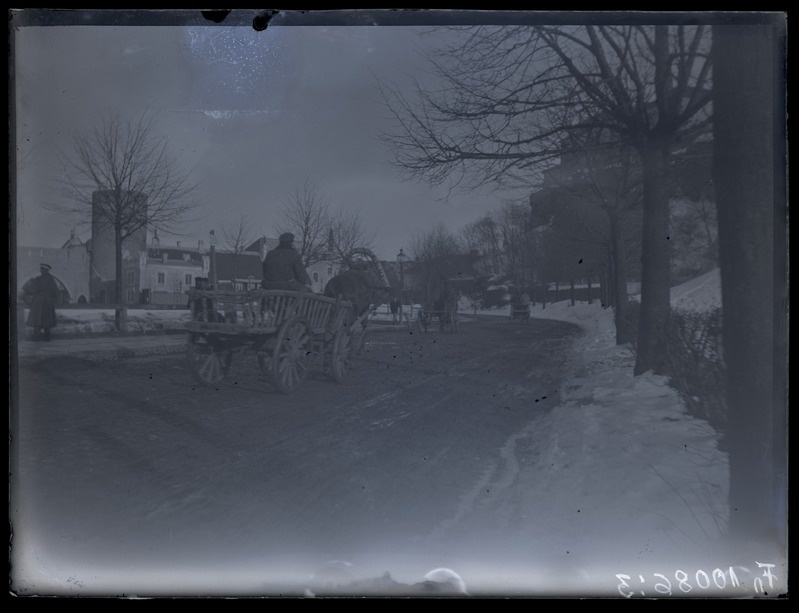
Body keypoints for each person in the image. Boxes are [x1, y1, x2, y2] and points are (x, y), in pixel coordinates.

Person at [21, 263, 59, 341]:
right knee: (47, 319)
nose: (41, 270)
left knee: (36, 319)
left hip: (38, 301)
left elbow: (28, 289)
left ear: (45, 270)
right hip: (48, 301)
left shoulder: (37, 279)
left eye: (42, 269)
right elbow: (55, 292)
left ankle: (36, 337)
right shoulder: (52, 280)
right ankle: (47, 337)